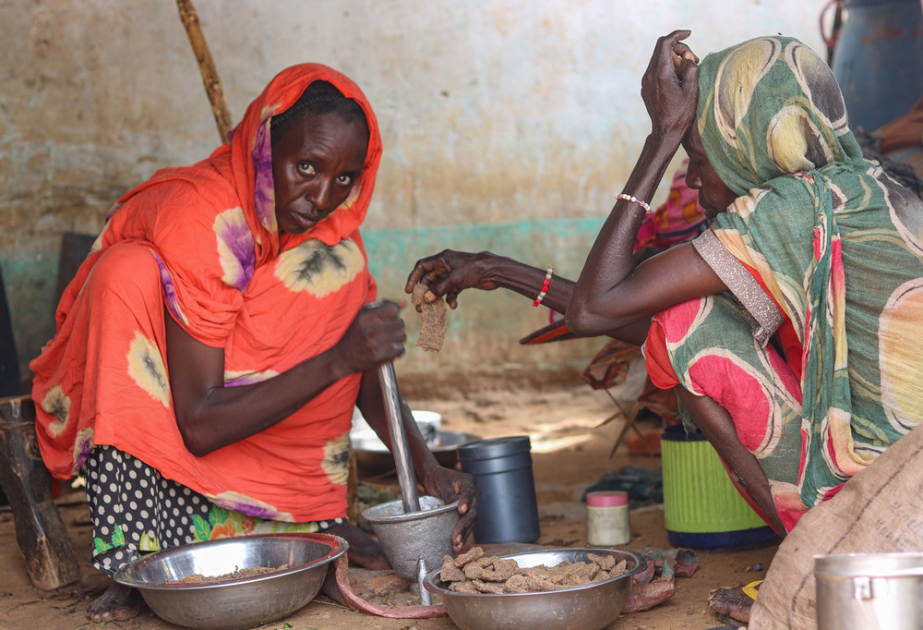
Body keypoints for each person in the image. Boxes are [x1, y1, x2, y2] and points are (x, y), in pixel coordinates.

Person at [407, 31, 923, 540]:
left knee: (689, 323)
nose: (692, 179)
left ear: (746, 149)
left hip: (886, 513)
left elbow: (598, 311)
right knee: (690, 313)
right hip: (906, 492)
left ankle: (813, 553)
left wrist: (660, 140)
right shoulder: (872, 189)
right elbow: (624, 313)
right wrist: (495, 270)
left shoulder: (787, 210)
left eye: (697, 157)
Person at [30, 64, 477, 623]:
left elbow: (363, 373)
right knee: (126, 272)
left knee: (336, 264)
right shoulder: (204, 218)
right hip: (174, 435)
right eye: (306, 166)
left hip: (246, 422)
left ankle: (303, 517)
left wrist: (427, 467)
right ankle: (141, 553)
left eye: (345, 179)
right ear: (265, 144)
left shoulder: (322, 232)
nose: (321, 196)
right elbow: (198, 424)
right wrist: (339, 357)